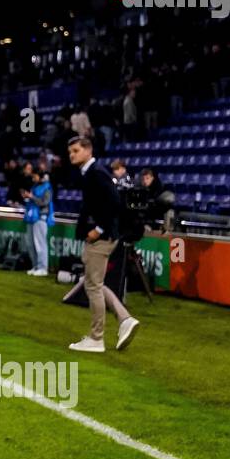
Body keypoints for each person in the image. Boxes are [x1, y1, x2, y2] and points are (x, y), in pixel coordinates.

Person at [66, 137, 140, 353]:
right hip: (103, 236)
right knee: (94, 283)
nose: (72, 154)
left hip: (102, 237)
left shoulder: (96, 173)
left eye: (76, 150)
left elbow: (114, 203)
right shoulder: (91, 173)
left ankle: (97, 338)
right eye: (70, 151)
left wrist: (98, 229)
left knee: (93, 286)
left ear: (88, 150)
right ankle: (125, 319)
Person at [22, 166, 54, 276]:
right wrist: (27, 197)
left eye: (34, 176)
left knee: (40, 244)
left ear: (39, 176)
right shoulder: (34, 186)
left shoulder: (47, 187)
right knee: (31, 244)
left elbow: (44, 202)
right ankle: (35, 266)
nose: (33, 178)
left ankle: (43, 268)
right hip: (31, 217)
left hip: (41, 217)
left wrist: (32, 197)